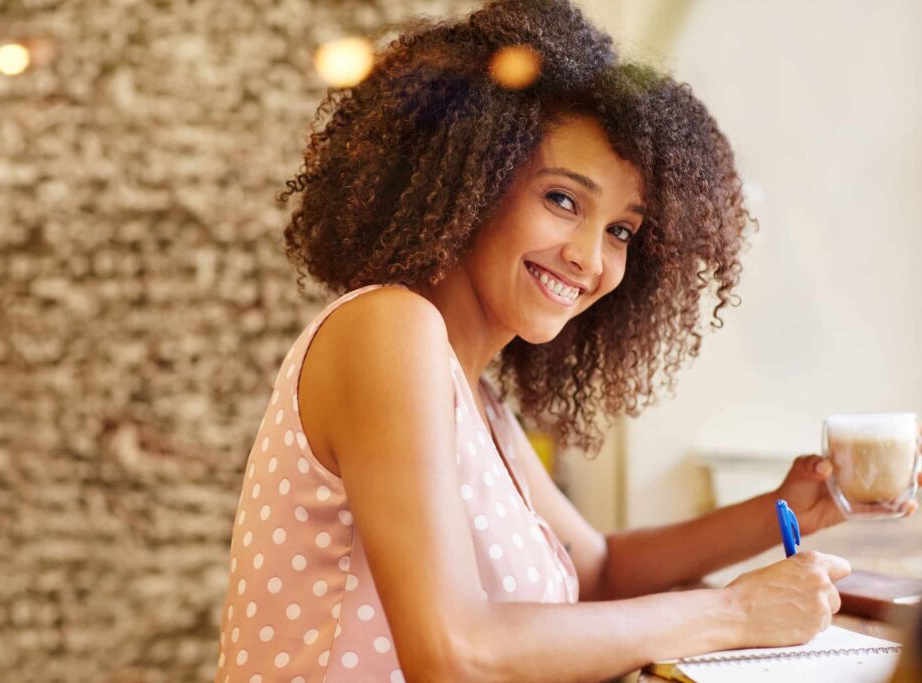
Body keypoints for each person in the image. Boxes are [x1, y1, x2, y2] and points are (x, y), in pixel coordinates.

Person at [214, 1, 921, 681]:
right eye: (562, 199)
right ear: (472, 178)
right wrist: (734, 610)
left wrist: (796, 503)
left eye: (620, 230)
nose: (590, 257)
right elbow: (452, 651)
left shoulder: (476, 397)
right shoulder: (387, 329)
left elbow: (600, 569)